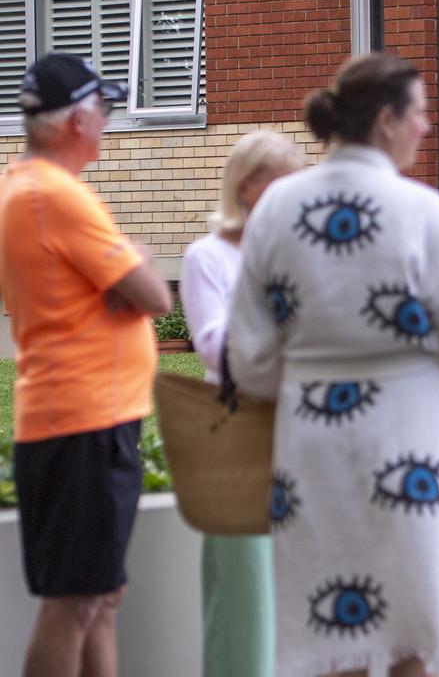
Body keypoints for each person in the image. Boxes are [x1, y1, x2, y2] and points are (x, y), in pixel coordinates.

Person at [225, 53, 439, 677]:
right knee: (410, 621)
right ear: (387, 119)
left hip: (309, 432)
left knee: (333, 617)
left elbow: (248, 355)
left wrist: (313, 369)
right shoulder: (421, 210)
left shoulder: (277, 208)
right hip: (407, 428)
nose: (425, 127)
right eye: (419, 114)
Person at [0, 53, 172, 677]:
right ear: (78, 119)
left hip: (89, 419)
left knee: (99, 597)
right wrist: (135, 262)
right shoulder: (54, 196)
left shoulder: (29, 189)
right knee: (74, 603)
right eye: (104, 108)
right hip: (81, 422)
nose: (108, 121)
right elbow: (154, 295)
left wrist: (128, 271)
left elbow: (137, 289)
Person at [180, 130, 306, 677]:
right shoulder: (206, 256)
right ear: (250, 186)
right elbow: (212, 345)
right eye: (286, 181)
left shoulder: (297, 253)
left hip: (300, 425)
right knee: (243, 588)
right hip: (236, 428)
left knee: (299, 582)